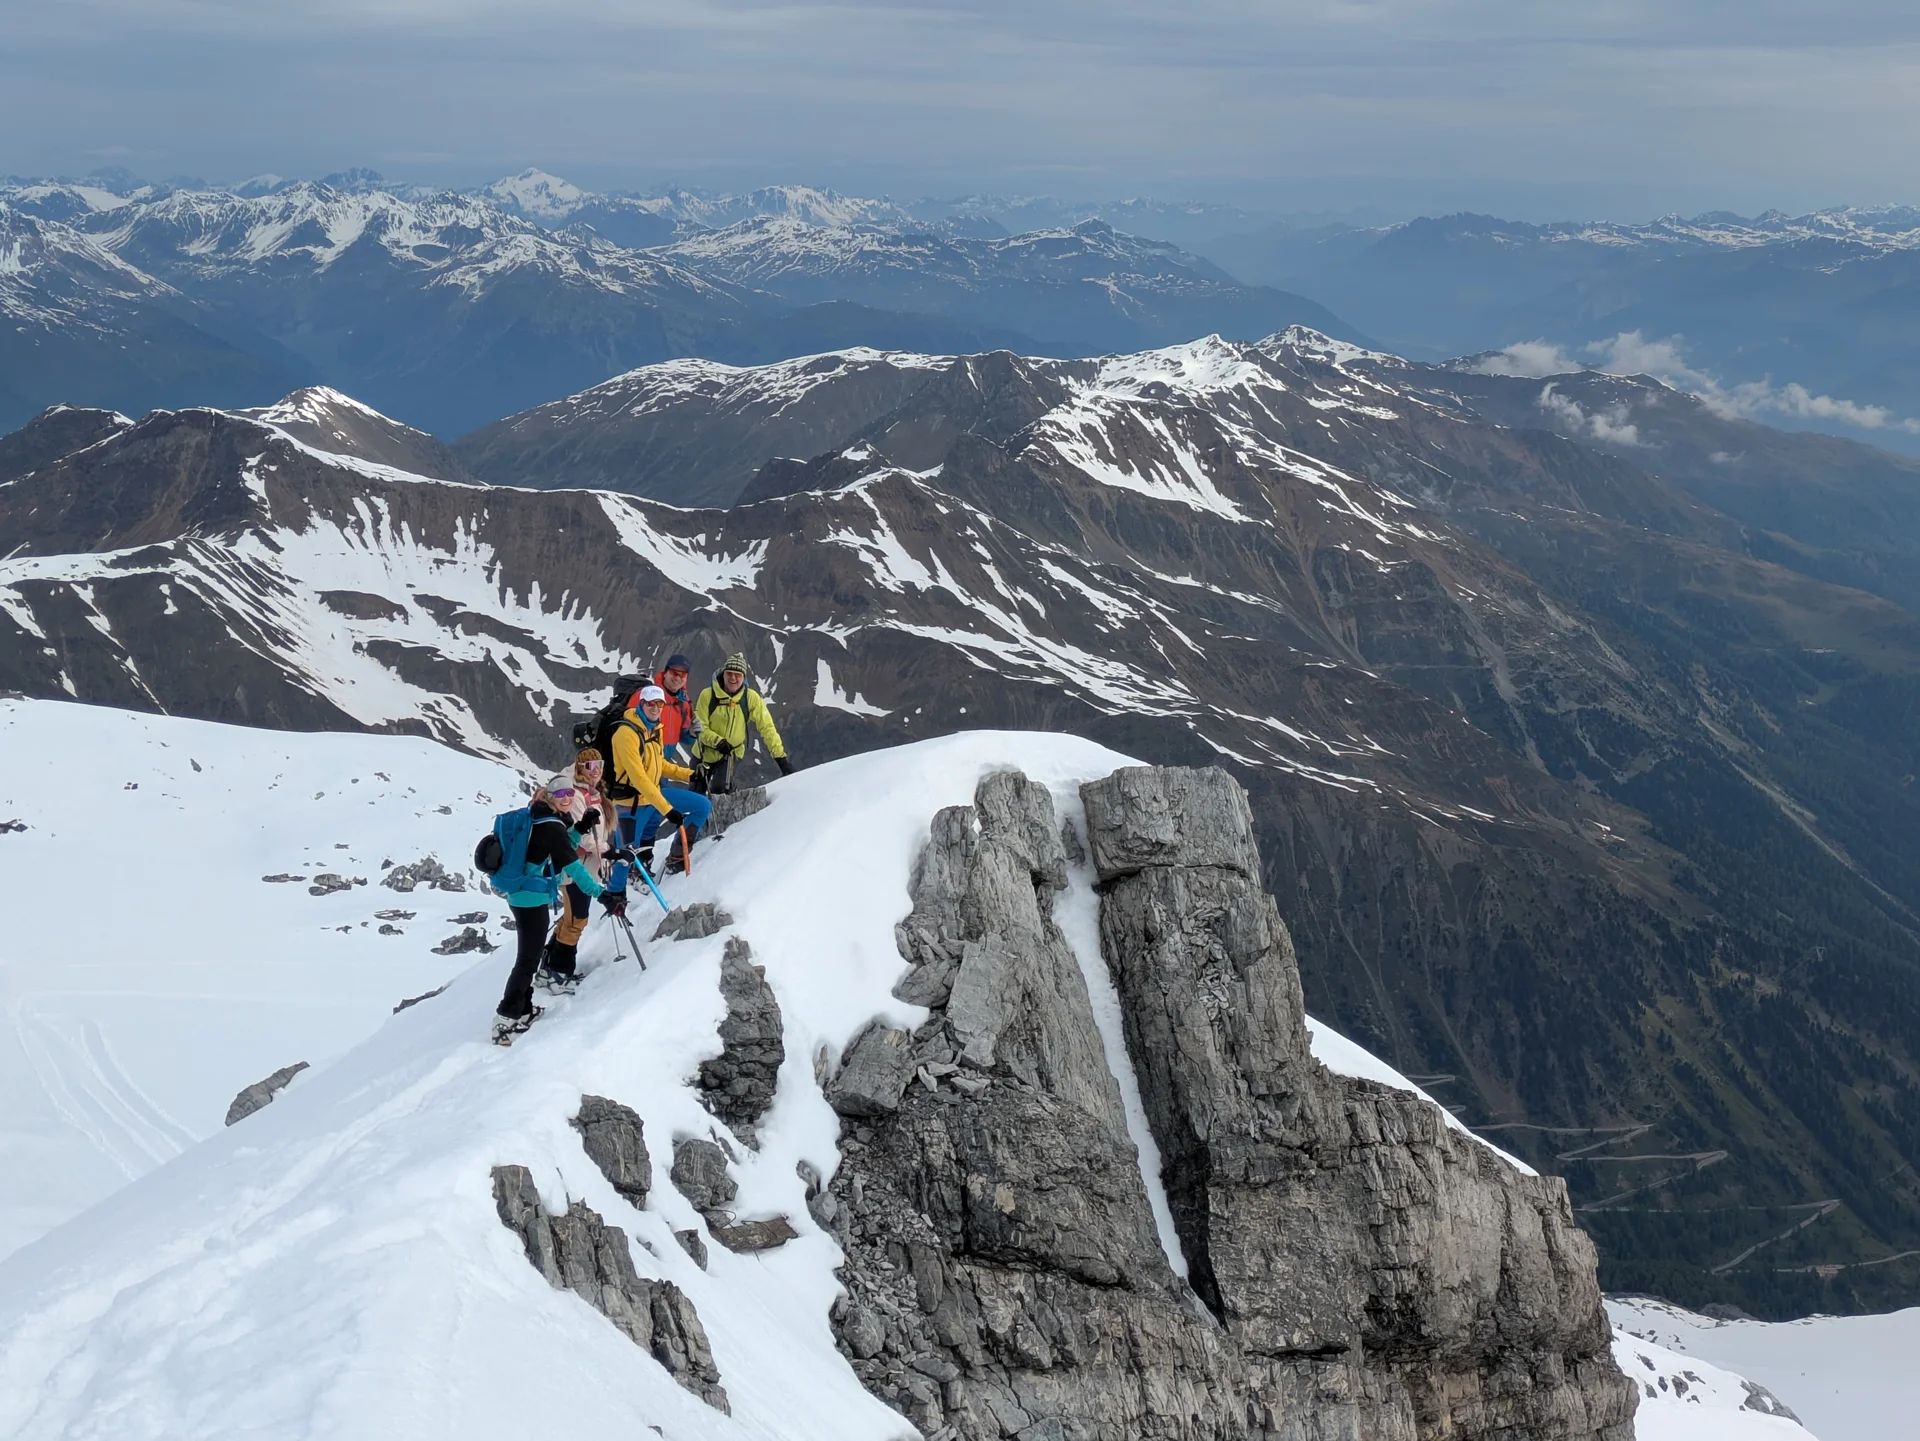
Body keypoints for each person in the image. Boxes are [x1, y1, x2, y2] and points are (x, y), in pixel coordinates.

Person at [492, 776, 625, 1044]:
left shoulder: (542, 817)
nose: (566, 797)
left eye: (569, 793)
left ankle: (524, 1010)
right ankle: (505, 1021)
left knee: (527, 957)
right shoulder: (551, 825)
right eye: (560, 793)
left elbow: (556, 845)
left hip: (524, 893)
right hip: (530, 898)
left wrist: (581, 826)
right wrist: (603, 895)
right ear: (549, 796)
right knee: (527, 960)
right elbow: (572, 866)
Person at [610, 684, 714, 874]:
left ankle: (677, 856)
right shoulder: (625, 734)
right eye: (651, 703)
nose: (655, 708)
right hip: (631, 804)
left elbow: (661, 765)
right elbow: (639, 778)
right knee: (623, 859)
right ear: (641, 704)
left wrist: (690, 774)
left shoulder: (655, 729)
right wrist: (667, 810)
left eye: (659, 704)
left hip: (653, 796)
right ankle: (615, 898)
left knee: (702, 806)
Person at [539, 747, 615, 994]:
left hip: (585, 866)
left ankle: (548, 967)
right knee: (576, 920)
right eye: (590, 766)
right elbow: (583, 838)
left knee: (572, 918)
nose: (597, 770)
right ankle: (560, 972)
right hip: (576, 868)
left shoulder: (591, 792)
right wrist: (607, 850)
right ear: (580, 768)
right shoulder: (576, 795)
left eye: (600, 765)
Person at [691, 652, 794, 795]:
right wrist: (718, 741)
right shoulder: (707, 695)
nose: (733, 678)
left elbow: (767, 727)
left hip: (729, 754)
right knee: (695, 793)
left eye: (738, 675)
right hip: (703, 753)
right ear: (724, 673)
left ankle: (726, 807)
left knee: (719, 790)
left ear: (744, 677)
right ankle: (700, 817)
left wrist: (781, 758)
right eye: (730, 673)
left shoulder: (750, 698)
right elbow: (700, 727)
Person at [653, 653, 700, 764]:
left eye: (683, 675)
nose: (678, 678)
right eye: (674, 672)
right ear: (665, 673)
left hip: (665, 763)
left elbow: (683, 737)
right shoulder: (649, 696)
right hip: (644, 762)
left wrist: (692, 734)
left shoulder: (683, 703)